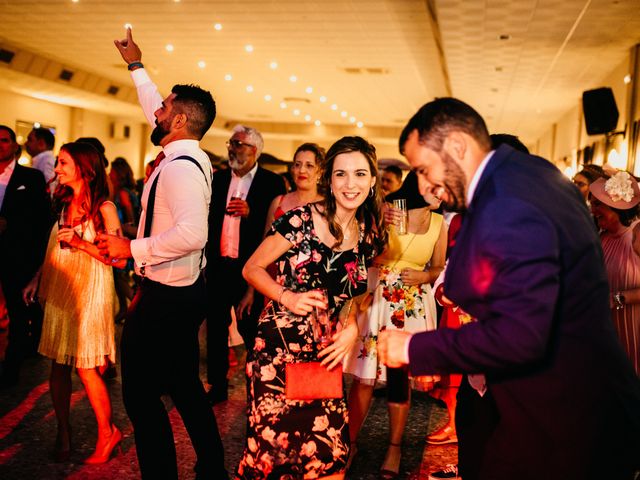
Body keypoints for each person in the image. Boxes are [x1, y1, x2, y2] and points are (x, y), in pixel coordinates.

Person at [378, 97, 640, 480]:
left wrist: (414, 347)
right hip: (545, 411)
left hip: (567, 418)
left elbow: (522, 333)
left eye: (422, 169)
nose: (420, 184)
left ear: (457, 147)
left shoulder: (508, 201)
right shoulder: (527, 175)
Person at [97, 27, 227, 478]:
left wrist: (131, 247)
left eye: (165, 107)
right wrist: (136, 66)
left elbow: (193, 234)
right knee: (185, 386)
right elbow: (153, 102)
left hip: (167, 297)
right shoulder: (185, 155)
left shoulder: (182, 170)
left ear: (177, 122)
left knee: (138, 393)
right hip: (181, 291)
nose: (157, 109)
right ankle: (212, 468)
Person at [237, 136, 387, 479]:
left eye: (360, 174)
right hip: (278, 350)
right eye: (341, 174)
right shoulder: (299, 219)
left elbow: (359, 292)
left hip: (325, 350)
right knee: (275, 453)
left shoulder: (367, 231)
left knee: (328, 452)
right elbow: (252, 268)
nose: (351, 184)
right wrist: (287, 296)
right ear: (329, 180)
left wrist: (351, 326)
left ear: (373, 180)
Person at [22, 142, 122, 463]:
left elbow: (119, 260)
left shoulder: (104, 208)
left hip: (91, 290)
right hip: (62, 288)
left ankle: (107, 433)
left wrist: (80, 243)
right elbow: (55, 247)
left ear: (84, 168)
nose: (57, 168)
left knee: (86, 367)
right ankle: (63, 432)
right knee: (58, 365)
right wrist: (38, 278)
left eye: (64, 163)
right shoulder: (62, 203)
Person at [344, 171, 446, 478]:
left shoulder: (440, 223)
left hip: (411, 303)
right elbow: (367, 252)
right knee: (364, 379)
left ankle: (395, 447)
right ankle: (348, 443)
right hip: (379, 297)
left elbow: (439, 266)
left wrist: (425, 276)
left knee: (400, 378)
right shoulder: (391, 207)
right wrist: (380, 226)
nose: (443, 192)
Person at [205, 124, 285, 405]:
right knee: (215, 329)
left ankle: (257, 384)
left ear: (254, 151)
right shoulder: (217, 180)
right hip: (218, 266)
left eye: (238, 144)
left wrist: (251, 213)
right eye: (231, 143)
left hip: (249, 268)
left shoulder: (271, 183)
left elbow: (274, 229)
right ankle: (217, 385)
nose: (232, 148)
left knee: (251, 329)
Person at [0, 125, 51, 387]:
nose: (0, 144)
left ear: (14, 145)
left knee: (18, 315)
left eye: (5, 140)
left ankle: (11, 369)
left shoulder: (30, 177)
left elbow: (41, 219)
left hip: (16, 256)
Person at [589, 171, 640, 375]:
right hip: (606, 331)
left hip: (633, 329)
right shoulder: (601, 239)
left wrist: (618, 298)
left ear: (616, 206)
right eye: (592, 203)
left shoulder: (637, 235)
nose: (593, 210)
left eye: (598, 204)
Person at [264, 142, 325, 229]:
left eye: (309, 165)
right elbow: (266, 240)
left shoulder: (328, 207)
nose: (302, 170)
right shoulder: (278, 203)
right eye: (297, 165)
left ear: (320, 172)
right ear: (292, 169)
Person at [109, 157, 140, 323]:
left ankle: (136, 305)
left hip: (123, 237)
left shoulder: (122, 193)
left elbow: (130, 216)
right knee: (117, 277)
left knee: (120, 277)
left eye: (112, 171)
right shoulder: (123, 191)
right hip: (121, 235)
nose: (109, 173)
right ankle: (122, 309)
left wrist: (126, 228)